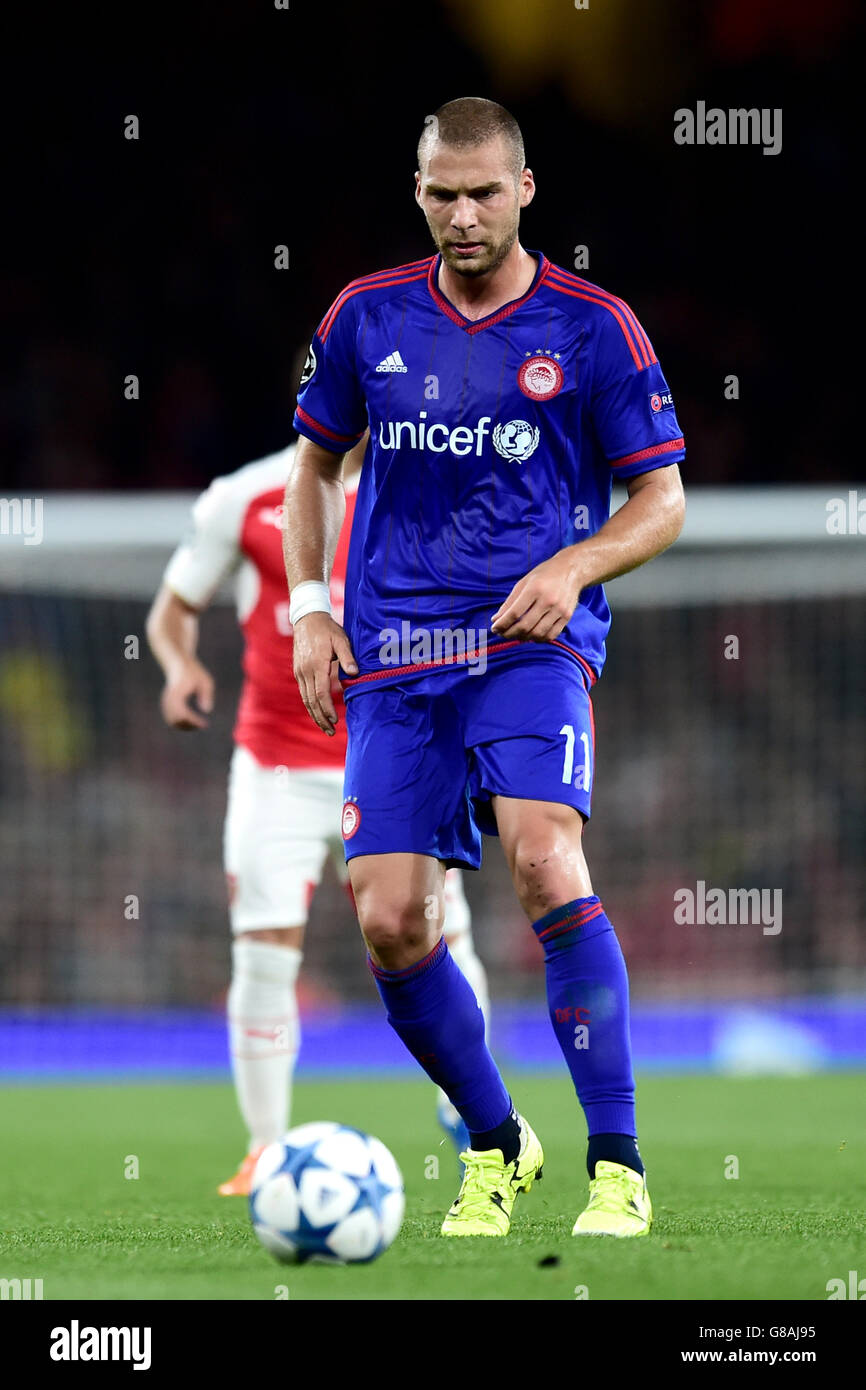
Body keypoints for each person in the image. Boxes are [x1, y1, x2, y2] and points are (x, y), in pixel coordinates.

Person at [283, 97, 686, 1237]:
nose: (461, 214)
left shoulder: (593, 326)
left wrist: (574, 565)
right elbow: (312, 469)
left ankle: (618, 1167)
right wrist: (311, 607)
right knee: (390, 921)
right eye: (439, 193)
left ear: (522, 190)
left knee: (546, 859)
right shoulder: (364, 318)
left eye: (481, 192)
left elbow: (660, 499)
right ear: (417, 194)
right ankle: (498, 1144)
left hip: (526, 640)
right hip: (393, 653)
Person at [146, 430, 489, 1195]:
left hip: (395, 757)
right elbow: (172, 611)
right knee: (265, 950)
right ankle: (265, 1150)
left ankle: (472, 1114)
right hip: (277, 766)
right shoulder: (245, 498)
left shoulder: (433, 491)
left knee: (439, 931)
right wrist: (179, 666)